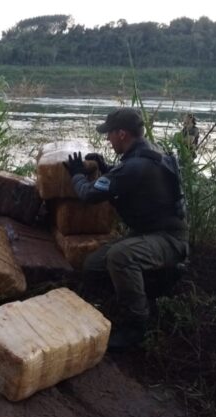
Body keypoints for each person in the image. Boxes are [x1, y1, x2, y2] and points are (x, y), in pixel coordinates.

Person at [65, 108, 189, 350]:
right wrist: (106, 167)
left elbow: (89, 195)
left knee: (121, 257)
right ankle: (144, 291)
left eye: (109, 134)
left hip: (169, 240)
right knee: (93, 265)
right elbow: (128, 178)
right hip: (150, 233)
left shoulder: (137, 165)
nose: (107, 140)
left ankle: (136, 325)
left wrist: (77, 176)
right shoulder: (149, 154)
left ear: (122, 134)